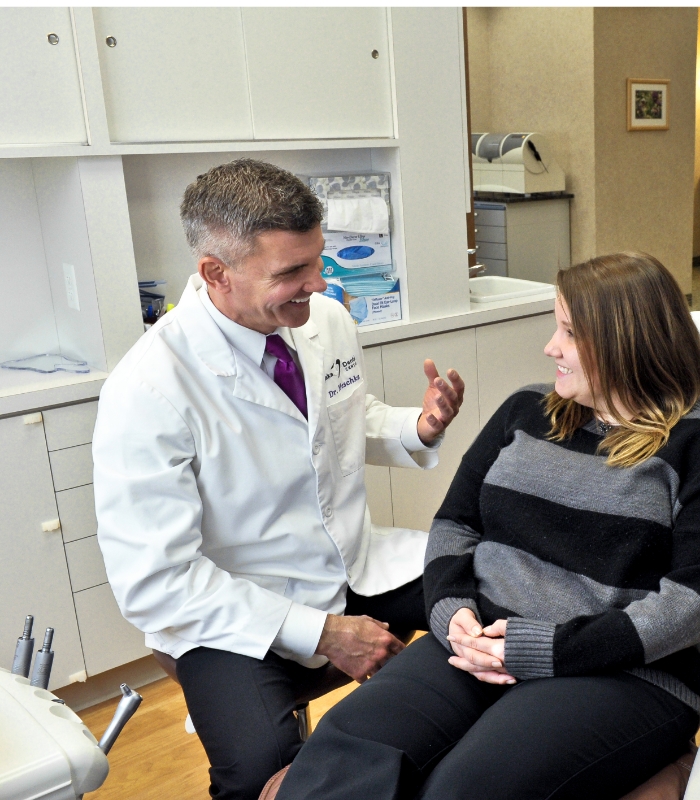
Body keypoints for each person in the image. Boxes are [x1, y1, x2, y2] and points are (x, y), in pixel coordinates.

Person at [92, 158, 465, 800]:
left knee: (497, 592)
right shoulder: (149, 389)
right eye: (291, 272)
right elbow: (156, 582)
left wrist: (415, 428)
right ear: (216, 273)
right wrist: (324, 633)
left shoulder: (324, 321)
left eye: (317, 261)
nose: (318, 285)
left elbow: (339, 419)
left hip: (353, 562)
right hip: (231, 610)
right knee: (260, 770)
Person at [274, 252, 700, 800]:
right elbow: (454, 523)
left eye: (569, 332)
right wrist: (454, 615)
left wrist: (545, 649)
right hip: (477, 642)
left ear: (626, 342)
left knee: (465, 789)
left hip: (622, 671)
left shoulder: (690, 445)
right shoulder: (526, 410)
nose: (550, 347)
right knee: (346, 748)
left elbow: (688, 604)